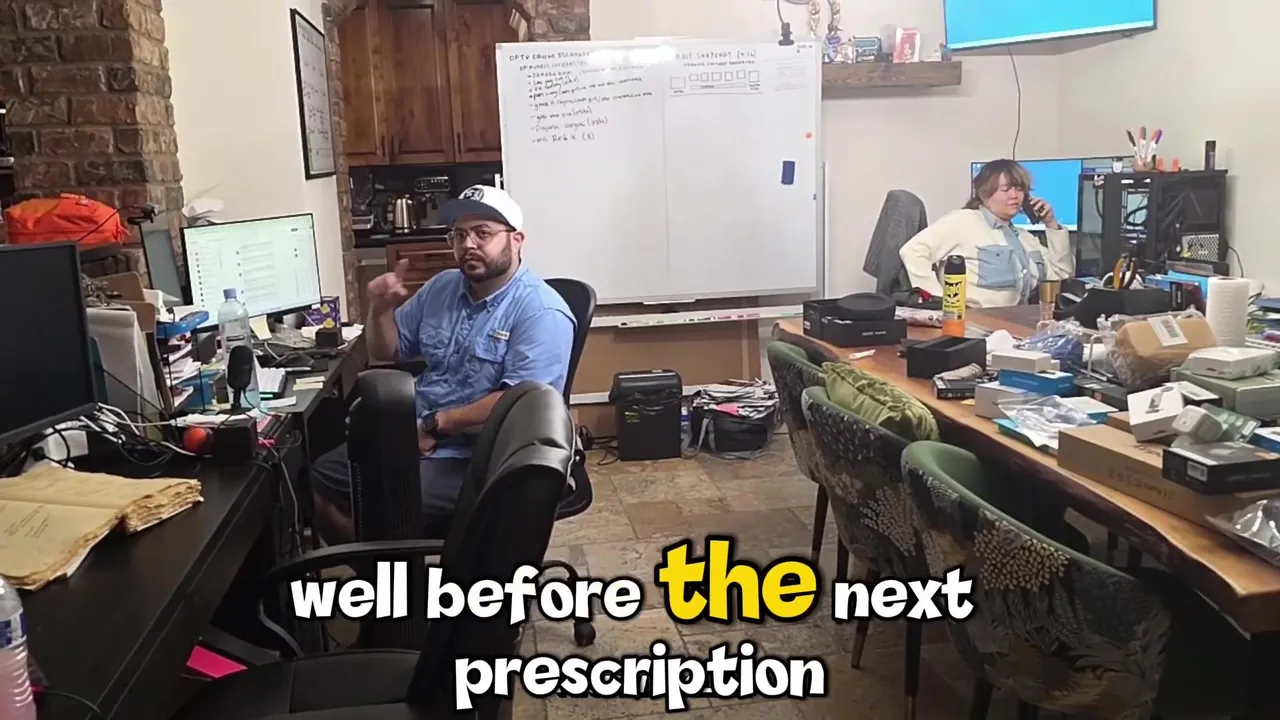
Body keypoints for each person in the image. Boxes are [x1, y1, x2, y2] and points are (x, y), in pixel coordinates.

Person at [310, 185, 576, 544]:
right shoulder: (443, 287)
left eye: (483, 233)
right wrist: (381, 309)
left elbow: (520, 402)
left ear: (516, 240)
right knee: (317, 481)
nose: (469, 244)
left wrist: (435, 425)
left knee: (381, 500)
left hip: (478, 454)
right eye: (459, 235)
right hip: (412, 434)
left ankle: (401, 567)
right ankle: (387, 569)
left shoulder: (541, 311)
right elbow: (388, 350)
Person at [898, 159, 1074, 308]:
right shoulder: (964, 221)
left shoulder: (1024, 238)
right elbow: (913, 251)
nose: (1014, 196)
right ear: (986, 192)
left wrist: (1051, 224)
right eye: (1006, 189)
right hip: (974, 323)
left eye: (1019, 189)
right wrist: (940, 302)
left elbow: (1062, 272)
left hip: (1015, 324)